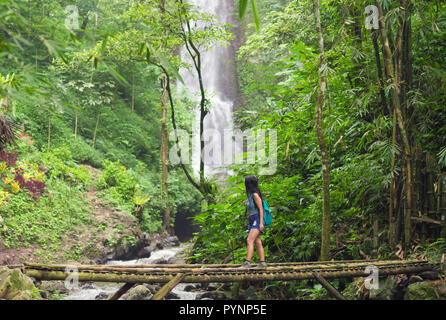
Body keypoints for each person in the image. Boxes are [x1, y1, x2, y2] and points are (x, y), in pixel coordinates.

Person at [240, 175, 267, 268]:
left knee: (249, 240)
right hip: (251, 219)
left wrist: (260, 223)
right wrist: (245, 203)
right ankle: (262, 262)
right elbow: (247, 203)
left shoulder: (255, 195)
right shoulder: (250, 195)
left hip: (257, 218)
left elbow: (261, 209)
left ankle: (247, 262)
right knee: (257, 241)